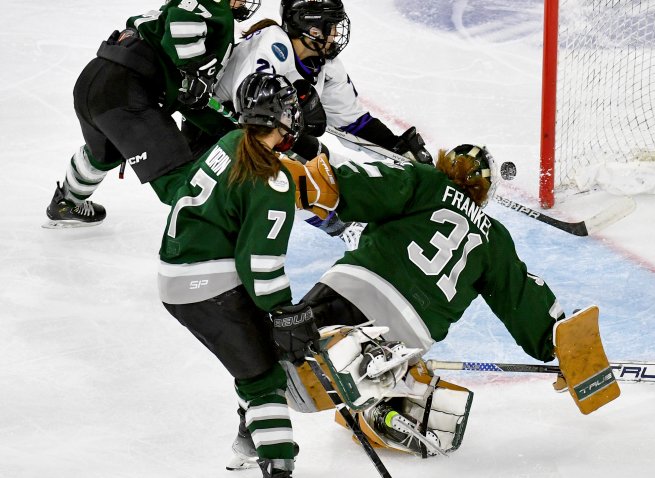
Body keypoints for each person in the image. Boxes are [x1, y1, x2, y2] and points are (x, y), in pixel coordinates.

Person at [262, 146, 621, 459]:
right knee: (420, 401)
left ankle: (261, 424)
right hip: (407, 336)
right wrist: (554, 343)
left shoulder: (425, 181)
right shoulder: (493, 239)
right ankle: (376, 404)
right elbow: (520, 297)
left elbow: (363, 186)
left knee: (276, 355)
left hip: (354, 290)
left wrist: (313, 182)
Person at [158, 72, 340, 478]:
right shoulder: (271, 180)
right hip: (209, 286)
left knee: (255, 358)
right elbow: (259, 265)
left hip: (179, 276)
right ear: (279, 118)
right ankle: (277, 463)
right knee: (264, 380)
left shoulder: (229, 143)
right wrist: (284, 313)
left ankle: (248, 440)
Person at [189, 0, 433, 244]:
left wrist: (395, 147)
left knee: (326, 163)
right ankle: (340, 228)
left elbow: (353, 123)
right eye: (331, 26)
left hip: (272, 131)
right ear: (310, 27)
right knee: (292, 178)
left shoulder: (324, 63)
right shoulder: (273, 44)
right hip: (219, 136)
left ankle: (344, 216)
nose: (336, 33)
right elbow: (252, 112)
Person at [44, 0, 262, 228]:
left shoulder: (194, 13)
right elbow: (181, 20)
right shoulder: (213, 6)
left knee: (104, 154)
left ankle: (66, 202)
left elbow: (192, 100)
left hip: (95, 80)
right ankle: (229, 231)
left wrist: (227, 128)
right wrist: (194, 69)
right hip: (126, 90)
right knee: (177, 175)